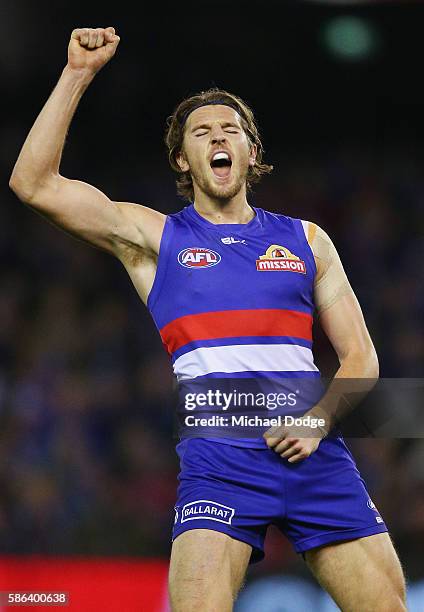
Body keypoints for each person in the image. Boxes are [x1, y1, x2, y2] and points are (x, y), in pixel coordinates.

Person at [10, 27, 407, 611]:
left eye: (231, 130)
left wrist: (319, 421)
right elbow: (32, 183)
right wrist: (77, 74)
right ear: (182, 158)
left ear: (251, 152)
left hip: (314, 458)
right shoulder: (155, 239)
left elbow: (362, 360)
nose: (218, 136)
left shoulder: (307, 241)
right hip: (219, 464)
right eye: (202, 132)